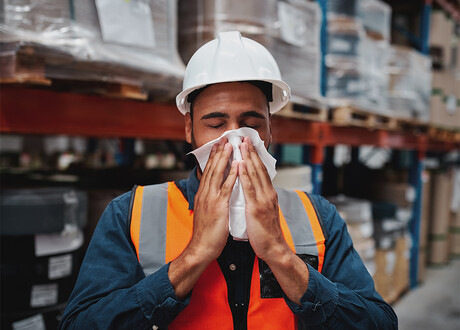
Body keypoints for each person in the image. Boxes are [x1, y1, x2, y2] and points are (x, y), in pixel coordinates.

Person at [59, 31, 398, 329]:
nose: (236, 139)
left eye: (251, 122)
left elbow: (378, 322)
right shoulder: (131, 214)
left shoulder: (317, 217)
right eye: (216, 123)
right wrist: (194, 256)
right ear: (190, 129)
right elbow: (81, 323)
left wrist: (281, 256)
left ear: (269, 131)